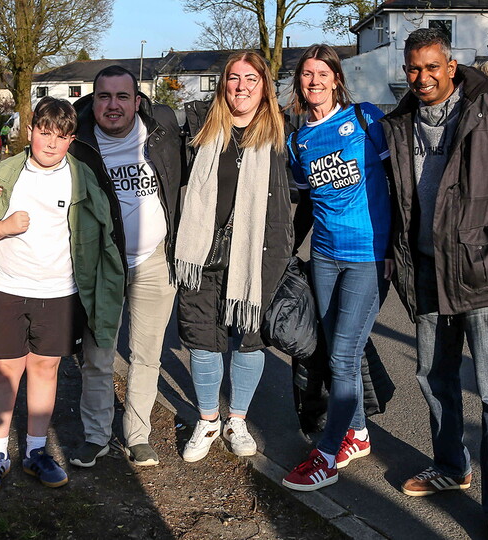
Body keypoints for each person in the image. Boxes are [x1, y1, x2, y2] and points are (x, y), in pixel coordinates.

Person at [380, 29, 488, 540]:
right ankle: (451, 466)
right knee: (435, 382)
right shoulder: (400, 123)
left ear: (451, 66)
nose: (422, 78)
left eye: (432, 67)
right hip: (429, 274)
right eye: (413, 69)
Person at [0, 66, 183, 468]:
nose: (113, 105)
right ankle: (96, 436)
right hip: (101, 264)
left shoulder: (162, 132)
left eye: (123, 96)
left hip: (154, 260)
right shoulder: (80, 140)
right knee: (98, 356)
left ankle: (138, 436)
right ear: (93, 100)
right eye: (104, 96)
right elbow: (29, 160)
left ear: (137, 101)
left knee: (146, 355)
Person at [0, 97, 124, 495]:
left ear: (71, 140)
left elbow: (100, 233)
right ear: (31, 132)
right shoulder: (4, 175)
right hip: (8, 289)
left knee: (45, 370)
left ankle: (36, 452)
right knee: (4, 372)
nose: (51, 144)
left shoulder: (80, 178)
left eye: (61, 136)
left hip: (59, 292)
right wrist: (3, 227)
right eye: (44, 133)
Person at [280, 44, 393, 491]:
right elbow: (307, 202)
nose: (314, 81)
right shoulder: (297, 139)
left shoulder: (366, 120)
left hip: (368, 254)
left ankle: (326, 454)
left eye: (322, 73)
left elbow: (398, 185)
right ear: (300, 82)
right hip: (324, 257)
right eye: (307, 74)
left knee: (345, 355)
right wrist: (288, 248)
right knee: (334, 351)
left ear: (336, 78)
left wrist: (395, 250)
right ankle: (358, 434)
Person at [175, 51, 292, 462]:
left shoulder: (282, 136)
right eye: (233, 78)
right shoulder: (199, 128)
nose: (241, 86)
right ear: (223, 84)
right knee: (202, 340)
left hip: (256, 257)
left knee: (249, 341)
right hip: (202, 255)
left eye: (251, 79)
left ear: (265, 87)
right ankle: (208, 419)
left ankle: (236, 419)